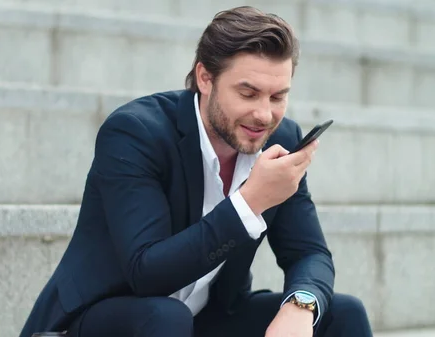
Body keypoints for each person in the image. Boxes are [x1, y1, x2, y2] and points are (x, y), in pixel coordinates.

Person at [19, 6, 372, 337]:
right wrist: (249, 203)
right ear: (205, 78)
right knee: (165, 316)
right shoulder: (136, 132)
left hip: (203, 318)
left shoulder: (281, 139)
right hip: (101, 318)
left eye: (278, 97)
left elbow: (309, 252)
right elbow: (147, 273)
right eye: (248, 94)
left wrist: (301, 304)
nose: (264, 115)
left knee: (342, 314)